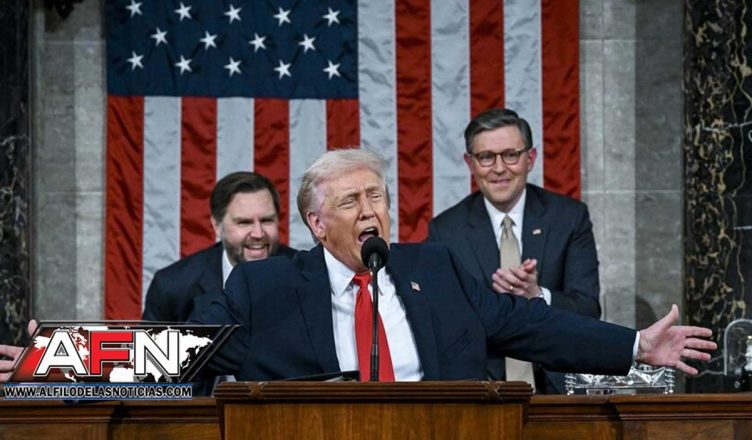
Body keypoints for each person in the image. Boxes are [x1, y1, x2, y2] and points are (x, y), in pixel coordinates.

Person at [188, 148, 714, 383]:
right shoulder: (266, 286)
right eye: (350, 202)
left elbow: (530, 326)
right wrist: (130, 370)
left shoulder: (435, 269)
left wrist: (635, 346)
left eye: (377, 197)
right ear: (317, 224)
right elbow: (186, 351)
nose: (370, 211)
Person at [428, 108, 599, 393]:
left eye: (510, 155)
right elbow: (440, 323)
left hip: (557, 389)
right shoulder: (445, 231)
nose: (499, 168)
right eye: (486, 157)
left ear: (530, 158)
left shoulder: (569, 218)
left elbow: (588, 309)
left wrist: (537, 296)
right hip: (481, 390)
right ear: (470, 163)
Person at [142, 171, 296, 323]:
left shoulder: (306, 275)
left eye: (267, 220)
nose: (258, 233)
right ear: (217, 226)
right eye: (244, 222)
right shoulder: (172, 286)